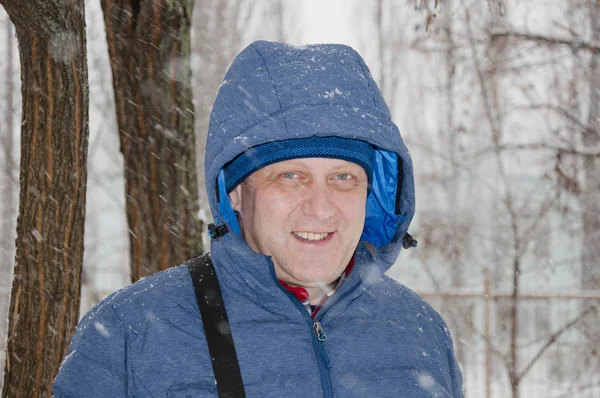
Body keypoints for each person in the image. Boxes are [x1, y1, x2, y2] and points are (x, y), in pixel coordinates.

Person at [53, 40, 463, 397]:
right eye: (290, 176)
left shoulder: (419, 331)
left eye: (343, 177)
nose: (321, 208)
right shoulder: (131, 334)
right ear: (235, 191)